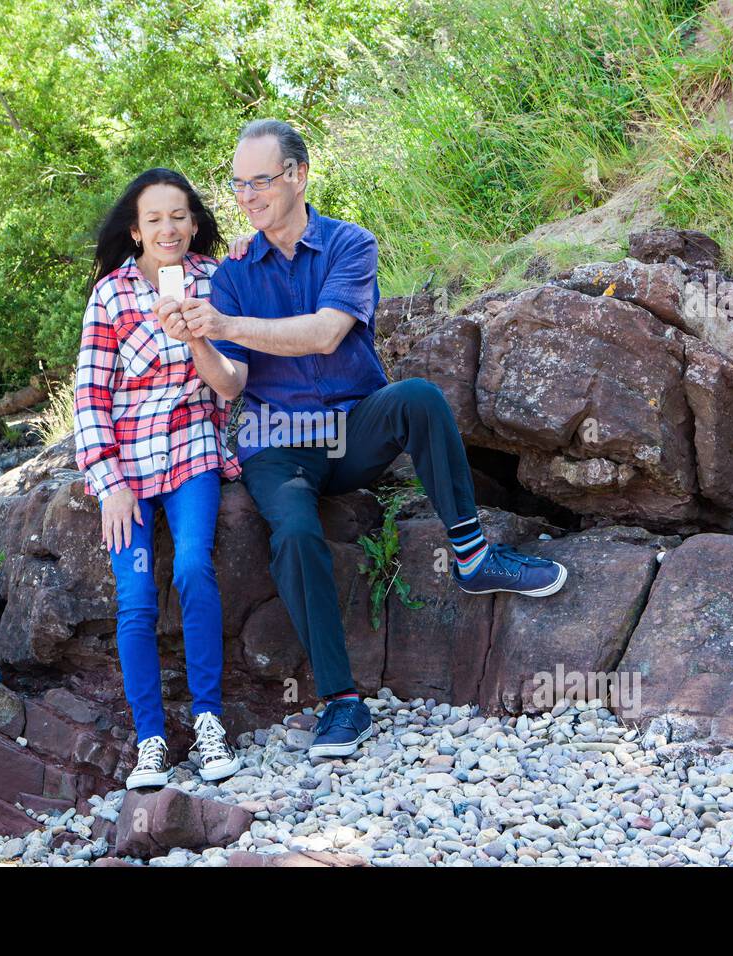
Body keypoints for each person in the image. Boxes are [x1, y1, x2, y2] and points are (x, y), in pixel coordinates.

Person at [153, 120, 568, 762]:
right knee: (292, 533)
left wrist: (227, 320)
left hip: (350, 428)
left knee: (421, 398)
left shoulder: (351, 244)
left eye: (259, 181)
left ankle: (473, 556)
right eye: (237, 184)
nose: (246, 196)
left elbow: (325, 334)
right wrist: (200, 340)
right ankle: (343, 702)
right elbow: (232, 385)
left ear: (298, 175)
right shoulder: (233, 272)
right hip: (276, 441)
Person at [74, 167, 247, 789]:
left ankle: (209, 724)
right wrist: (108, 481)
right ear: (137, 229)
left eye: (179, 216)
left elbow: (231, 382)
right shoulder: (110, 295)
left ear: (194, 223)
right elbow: (90, 397)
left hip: (193, 447)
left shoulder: (215, 282)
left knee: (194, 567)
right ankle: (150, 738)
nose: (169, 228)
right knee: (136, 599)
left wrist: (198, 332)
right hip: (127, 465)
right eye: (155, 219)